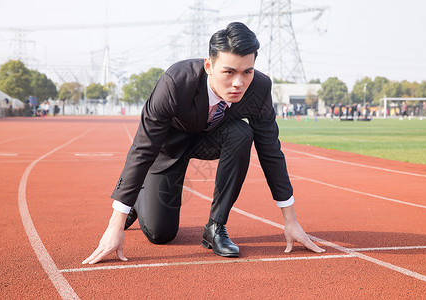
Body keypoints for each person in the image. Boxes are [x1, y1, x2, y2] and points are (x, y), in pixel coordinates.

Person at [83, 22, 324, 265]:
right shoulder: (175, 82)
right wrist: (116, 225)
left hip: (210, 139)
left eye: (247, 72)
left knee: (242, 133)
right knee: (160, 234)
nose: (239, 83)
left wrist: (290, 220)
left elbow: (270, 150)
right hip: (170, 146)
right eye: (229, 72)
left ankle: (216, 227)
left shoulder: (259, 88)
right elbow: (143, 149)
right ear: (209, 65)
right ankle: (138, 199)